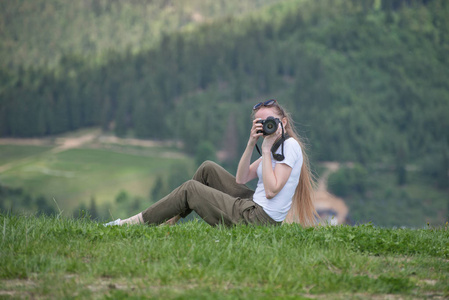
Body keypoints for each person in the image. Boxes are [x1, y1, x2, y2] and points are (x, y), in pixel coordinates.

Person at [104, 99, 318, 227]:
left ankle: (130, 225)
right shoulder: (273, 146)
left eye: (270, 121)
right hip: (253, 204)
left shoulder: (289, 147)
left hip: (257, 219)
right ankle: (170, 219)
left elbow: (271, 192)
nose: (266, 126)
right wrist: (251, 143)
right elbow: (241, 178)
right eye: (261, 123)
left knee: (190, 189)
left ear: (284, 122)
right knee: (208, 168)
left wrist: (264, 147)